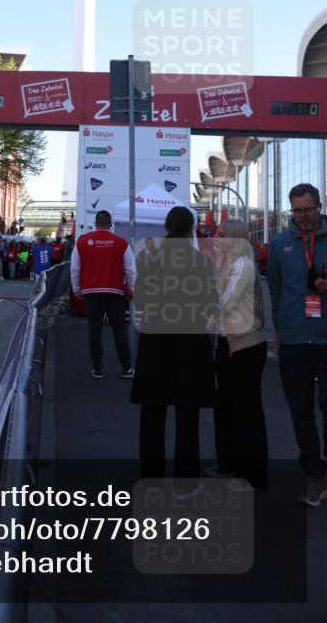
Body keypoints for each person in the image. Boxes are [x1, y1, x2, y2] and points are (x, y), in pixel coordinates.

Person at [131, 206, 218, 483]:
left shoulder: (149, 259)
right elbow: (210, 303)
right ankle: (186, 480)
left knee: (152, 415)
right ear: (191, 228)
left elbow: (140, 300)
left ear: (167, 227)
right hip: (191, 344)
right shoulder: (201, 262)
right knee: (188, 416)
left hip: (155, 343)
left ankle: (151, 477)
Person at [267, 182, 327, 507]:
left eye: (308, 209)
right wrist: (279, 326)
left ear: (319, 206)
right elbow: (275, 288)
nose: (303, 215)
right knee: (300, 412)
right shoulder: (281, 243)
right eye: (297, 210)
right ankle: (314, 473)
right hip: (294, 339)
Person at [208, 220, 268, 491]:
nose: (214, 237)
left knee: (246, 412)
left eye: (220, 234)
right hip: (227, 343)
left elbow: (224, 302)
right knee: (226, 407)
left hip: (246, 346)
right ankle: (229, 464)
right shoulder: (225, 264)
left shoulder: (243, 265)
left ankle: (253, 477)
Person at [71, 210, 136, 380]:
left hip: (92, 293)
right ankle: (126, 368)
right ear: (111, 224)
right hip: (116, 293)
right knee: (120, 331)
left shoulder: (82, 242)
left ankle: (98, 369)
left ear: (95, 223)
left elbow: (75, 269)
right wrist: (130, 289)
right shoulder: (122, 243)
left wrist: (77, 290)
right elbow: (131, 270)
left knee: (95, 331)